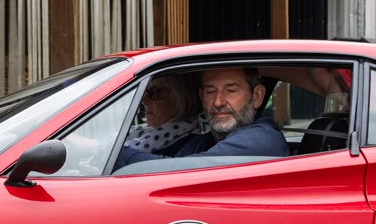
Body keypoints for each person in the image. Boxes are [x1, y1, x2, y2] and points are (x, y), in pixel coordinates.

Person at [116, 66, 289, 167]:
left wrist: (110, 153)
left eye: (230, 90)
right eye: (210, 91)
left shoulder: (260, 139)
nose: (218, 102)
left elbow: (179, 171)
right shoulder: (210, 139)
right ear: (201, 97)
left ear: (257, 96)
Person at [122, 72, 201, 156]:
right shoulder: (144, 134)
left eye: (154, 92)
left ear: (181, 96)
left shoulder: (187, 149)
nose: (144, 101)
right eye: (145, 92)